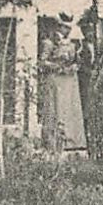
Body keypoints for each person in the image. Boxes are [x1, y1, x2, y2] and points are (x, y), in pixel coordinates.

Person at [38, 15, 87, 154]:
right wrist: (59, 67)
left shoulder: (73, 44)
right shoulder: (49, 43)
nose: (67, 30)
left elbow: (77, 60)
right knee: (57, 107)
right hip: (56, 79)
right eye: (65, 27)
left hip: (69, 80)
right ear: (58, 27)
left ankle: (72, 140)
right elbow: (43, 62)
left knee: (70, 107)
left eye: (69, 27)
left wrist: (75, 66)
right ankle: (54, 140)